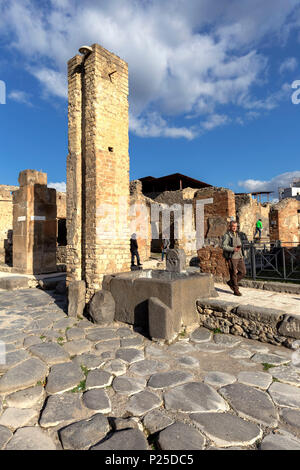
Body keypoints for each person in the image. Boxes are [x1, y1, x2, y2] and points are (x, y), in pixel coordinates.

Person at [222, 220, 246, 296]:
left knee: (243, 272)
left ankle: (231, 282)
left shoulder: (238, 234)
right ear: (230, 227)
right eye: (233, 226)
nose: (235, 228)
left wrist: (242, 254)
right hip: (232, 257)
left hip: (239, 256)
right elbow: (224, 246)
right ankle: (236, 290)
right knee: (233, 273)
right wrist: (233, 249)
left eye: (236, 226)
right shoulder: (227, 235)